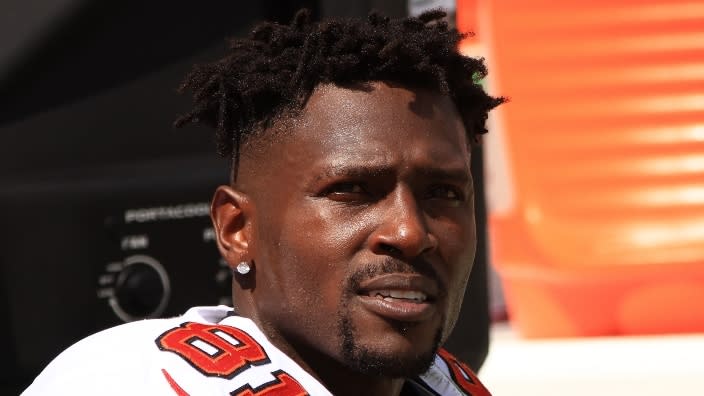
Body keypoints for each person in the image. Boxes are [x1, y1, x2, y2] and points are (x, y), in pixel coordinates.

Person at [23, 9, 503, 396]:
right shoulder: (127, 380)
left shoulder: (449, 384)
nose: (410, 232)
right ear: (237, 229)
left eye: (443, 193)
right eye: (352, 191)